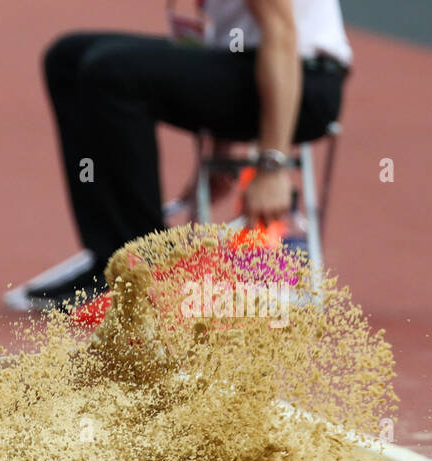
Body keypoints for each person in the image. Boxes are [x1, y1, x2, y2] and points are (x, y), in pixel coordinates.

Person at [20, 0, 351, 309]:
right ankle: (112, 262)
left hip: (303, 81)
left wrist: (271, 165)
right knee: (68, 58)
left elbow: (281, 34)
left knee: (111, 73)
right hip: (249, 67)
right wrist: (223, 149)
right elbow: (221, 40)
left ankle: (145, 269)